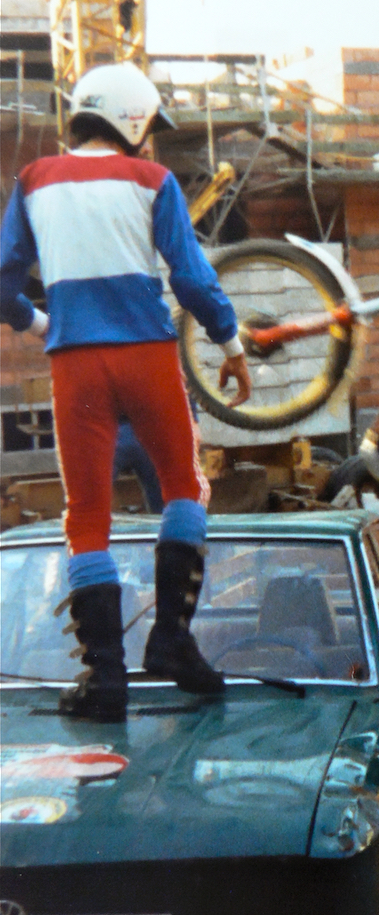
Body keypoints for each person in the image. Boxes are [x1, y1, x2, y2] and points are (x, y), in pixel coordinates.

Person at [0, 61, 252, 723]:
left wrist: (40, 322)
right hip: (149, 355)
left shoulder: (32, 181)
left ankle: (104, 678)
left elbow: (2, 283)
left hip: (74, 365)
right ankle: (171, 637)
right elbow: (192, 279)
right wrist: (230, 343)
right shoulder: (153, 179)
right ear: (133, 119)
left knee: (86, 516)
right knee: (185, 487)